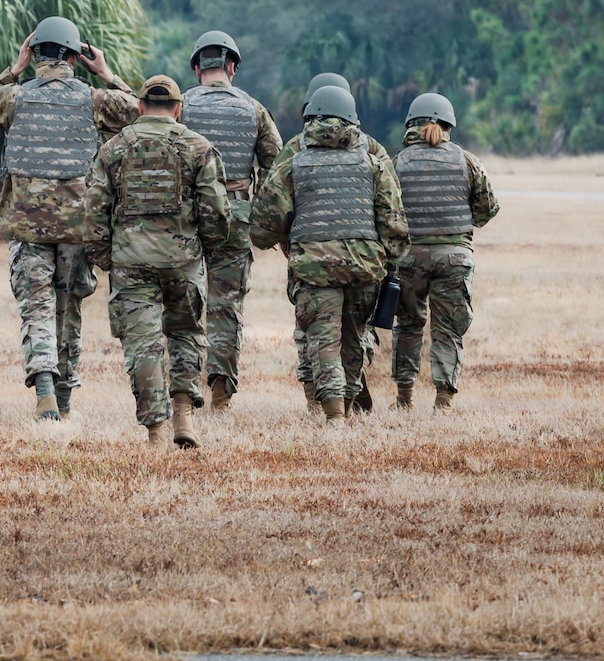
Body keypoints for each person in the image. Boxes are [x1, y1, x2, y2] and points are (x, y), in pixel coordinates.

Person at [0, 16, 137, 420]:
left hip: (27, 223)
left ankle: (43, 388)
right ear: (75, 57)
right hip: (77, 225)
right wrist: (108, 75)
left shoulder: (14, 98)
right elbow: (144, 112)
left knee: (36, 306)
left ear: (36, 52)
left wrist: (15, 68)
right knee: (69, 306)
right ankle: (63, 397)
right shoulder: (94, 99)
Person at [84, 75, 230, 447]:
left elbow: (95, 211)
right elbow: (216, 212)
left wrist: (108, 259)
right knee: (185, 334)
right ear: (178, 109)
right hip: (182, 260)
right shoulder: (199, 147)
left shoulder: (114, 149)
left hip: (131, 262)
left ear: (139, 107)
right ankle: (184, 417)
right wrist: (203, 250)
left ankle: (156, 433)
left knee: (143, 344)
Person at [252, 84, 407, 423]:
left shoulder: (294, 160)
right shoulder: (373, 161)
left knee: (323, 339)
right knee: (353, 339)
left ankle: (334, 414)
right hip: (364, 266)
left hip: (313, 267)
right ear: (352, 118)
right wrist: (389, 261)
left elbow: (265, 223)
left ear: (309, 117)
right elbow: (393, 222)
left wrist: (286, 239)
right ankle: (347, 405)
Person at [180, 31, 282, 409]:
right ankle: (221, 392)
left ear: (196, 68)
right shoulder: (254, 110)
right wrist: (267, 225)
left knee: (183, 303)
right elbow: (276, 169)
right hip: (235, 215)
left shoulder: (181, 106)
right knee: (226, 305)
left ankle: (184, 389)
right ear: (232, 67)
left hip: (186, 215)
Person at [389, 92, 498, 409]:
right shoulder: (466, 160)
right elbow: (488, 208)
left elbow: (387, 210)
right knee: (447, 329)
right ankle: (443, 400)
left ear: (412, 124)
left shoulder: (399, 162)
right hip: (455, 257)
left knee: (408, 325)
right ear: (449, 124)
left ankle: (404, 398)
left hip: (410, 258)